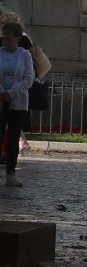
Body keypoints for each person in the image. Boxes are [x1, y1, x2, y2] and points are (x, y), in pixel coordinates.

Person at [0, 20, 35, 188]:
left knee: (13, 138)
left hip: (18, 102)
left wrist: (12, 92)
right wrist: (2, 92)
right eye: (3, 35)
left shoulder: (24, 55)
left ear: (17, 37)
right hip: (0, 99)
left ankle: (11, 173)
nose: (5, 39)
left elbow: (28, 79)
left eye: (9, 36)